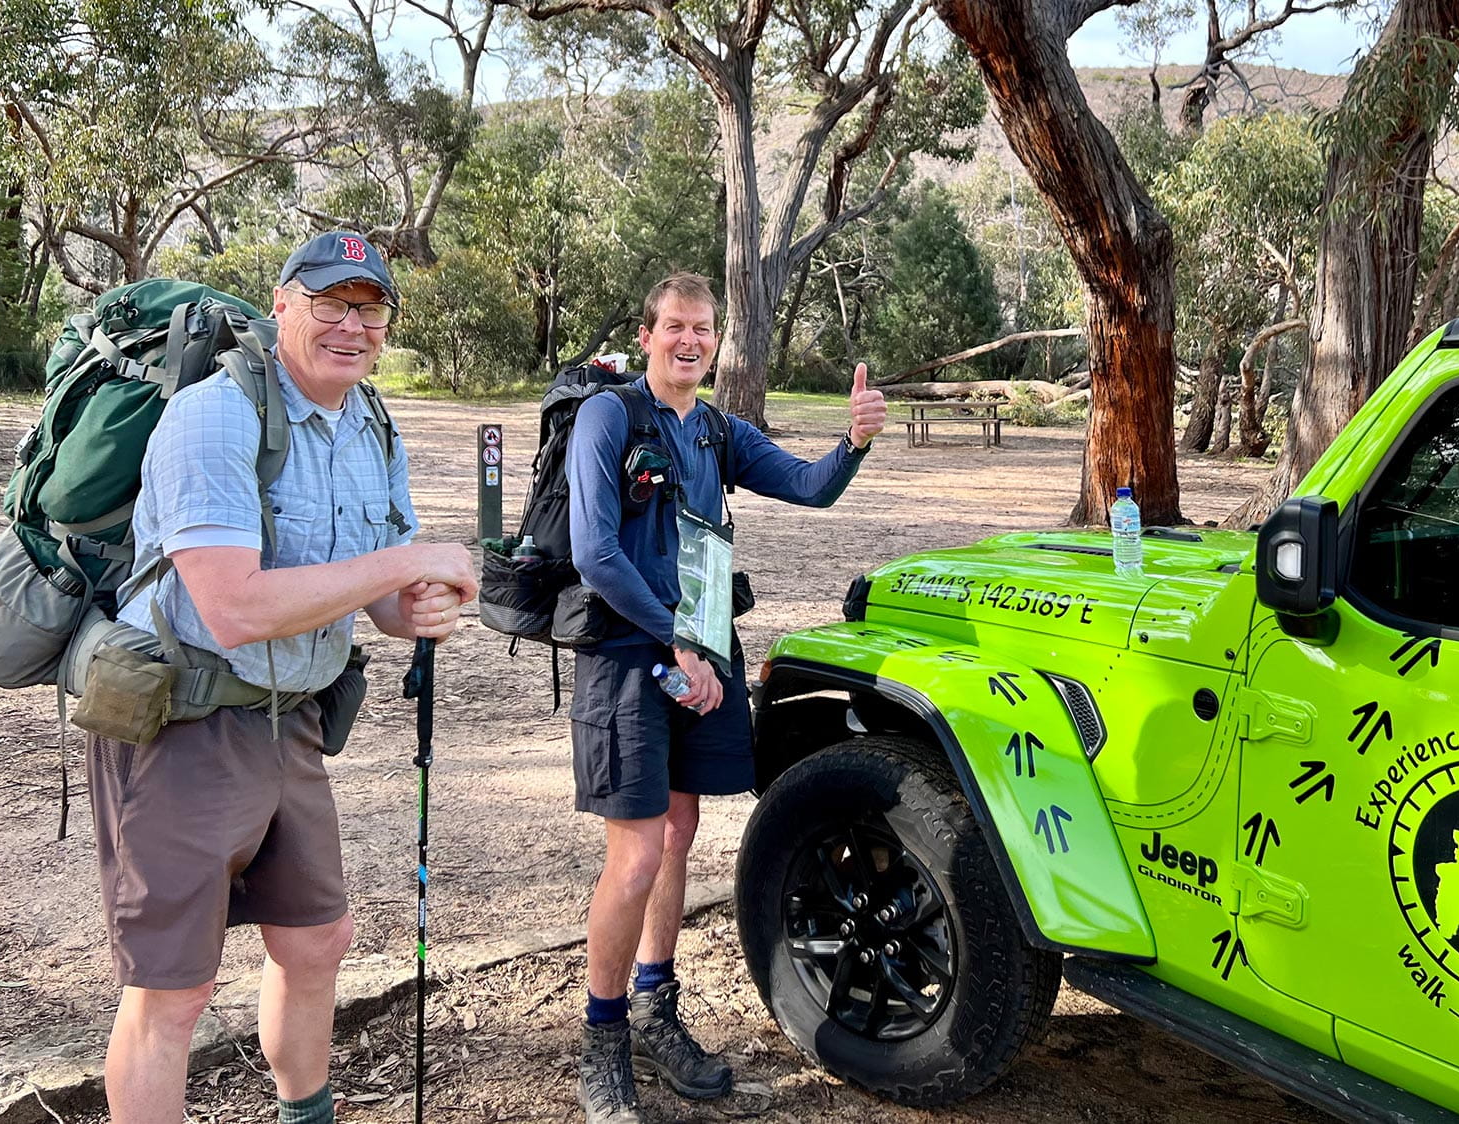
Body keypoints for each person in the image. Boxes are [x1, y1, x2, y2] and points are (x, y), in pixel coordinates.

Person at [86, 231, 479, 1124]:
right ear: (283, 304)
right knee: (172, 994)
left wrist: (416, 606)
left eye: (370, 308)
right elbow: (236, 608)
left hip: (291, 720)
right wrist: (402, 565)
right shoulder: (215, 417)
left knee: (316, 942)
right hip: (183, 723)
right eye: (331, 302)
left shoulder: (372, 425)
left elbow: (376, 594)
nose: (352, 324)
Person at [564, 271, 888, 1123]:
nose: (690, 341)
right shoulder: (609, 416)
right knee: (634, 855)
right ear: (647, 335)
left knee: (678, 835)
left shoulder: (715, 431)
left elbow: (810, 486)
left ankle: (653, 1008)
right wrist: (675, 637)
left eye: (703, 329)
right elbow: (596, 554)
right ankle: (601, 1045)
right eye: (675, 325)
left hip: (699, 658)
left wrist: (852, 442)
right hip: (631, 659)